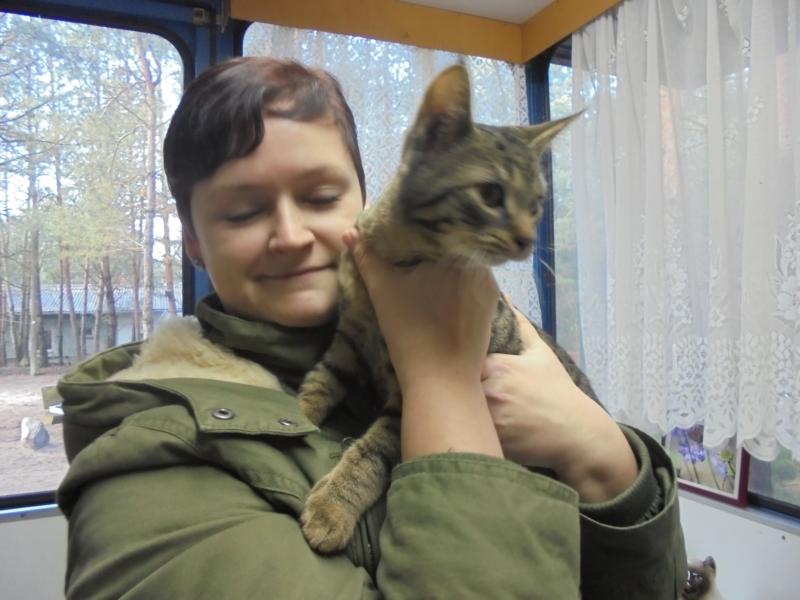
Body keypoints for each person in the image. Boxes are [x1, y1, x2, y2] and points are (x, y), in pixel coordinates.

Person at [56, 56, 687, 599]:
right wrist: (443, 380)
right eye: (244, 212)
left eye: (321, 198)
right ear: (193, 241)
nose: (292, 236)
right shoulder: (144, 471)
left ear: (364, 194)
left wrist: (606, 460)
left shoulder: (466, 312)